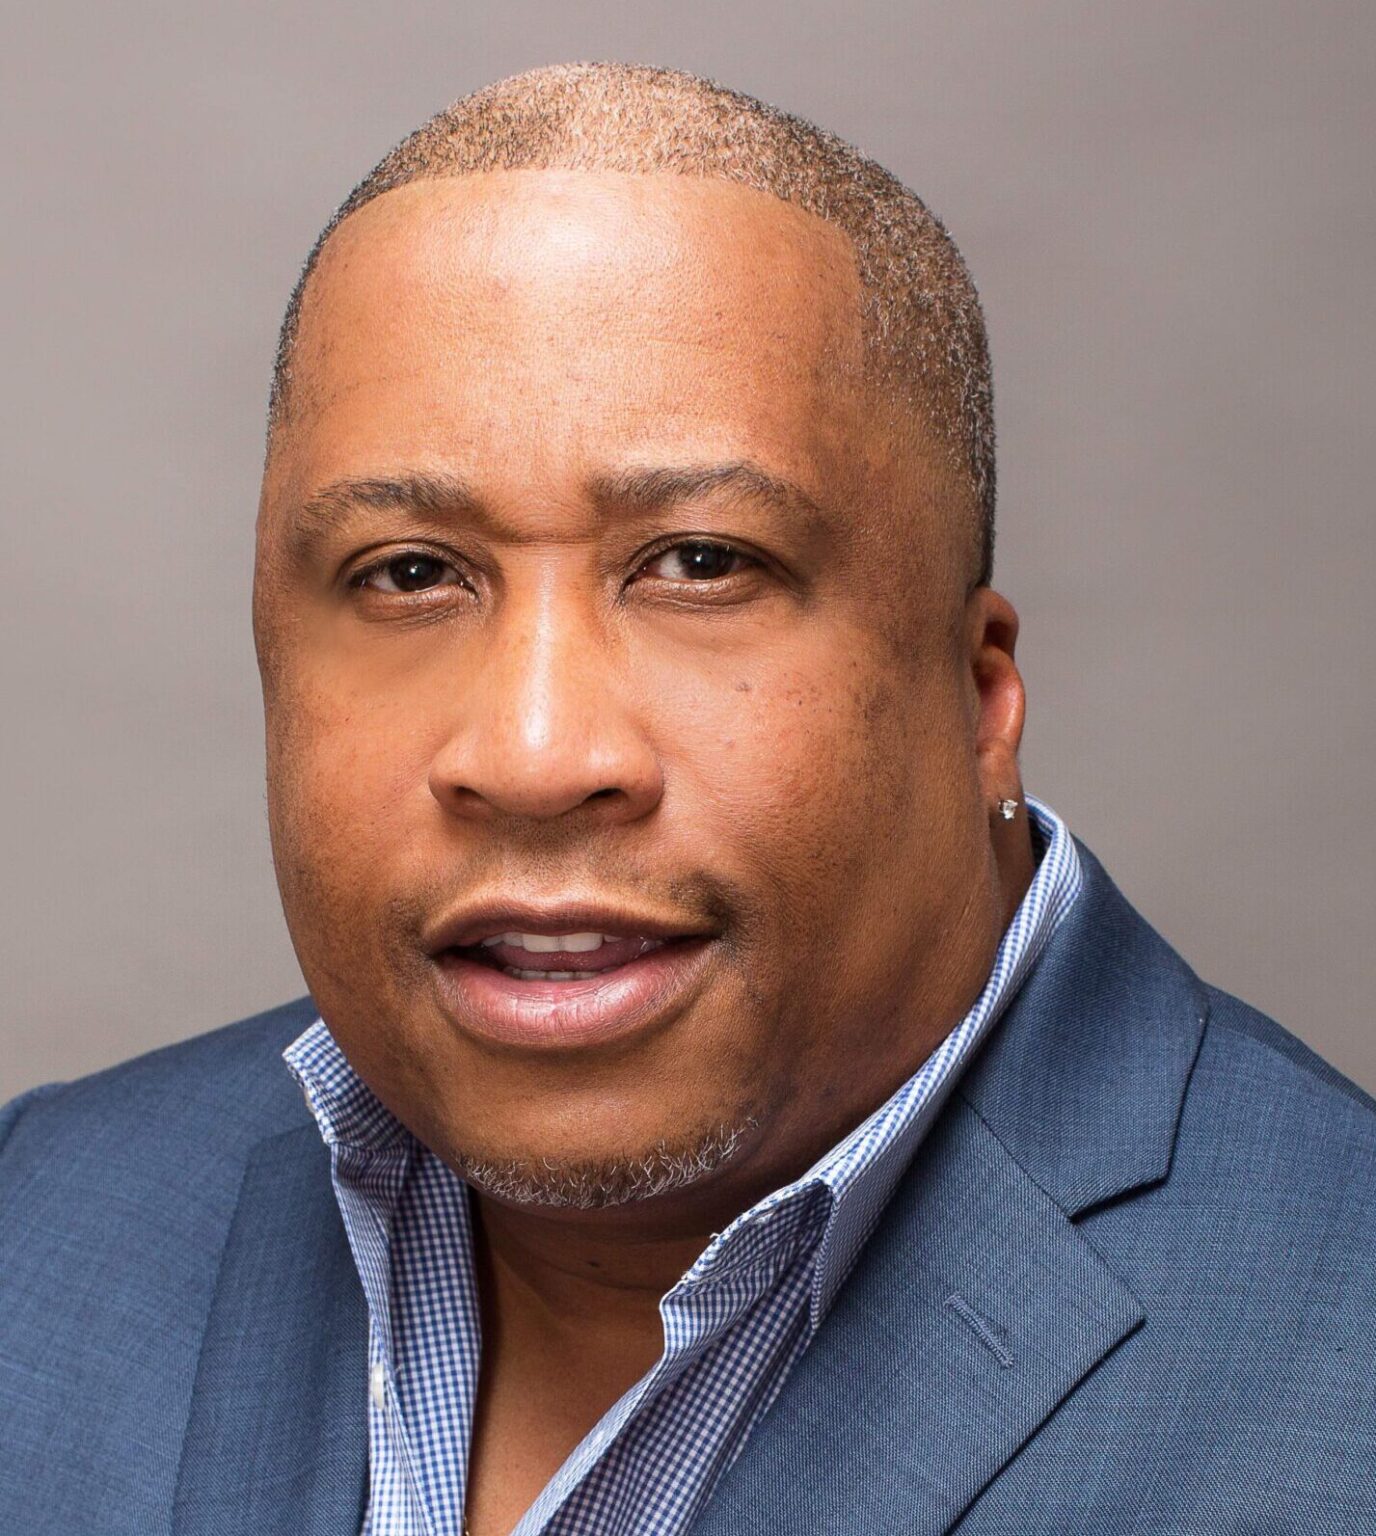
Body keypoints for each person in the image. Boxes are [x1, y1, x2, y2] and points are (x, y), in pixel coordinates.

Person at [1, 60, 1373, 1536]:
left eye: (702, 564)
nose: (534, 755)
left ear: (978, 698)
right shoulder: (40, 1226)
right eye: (409, 573)